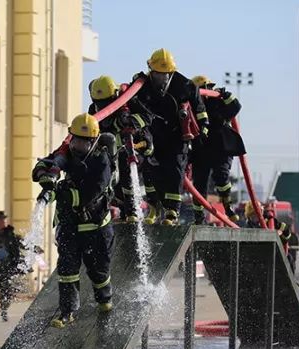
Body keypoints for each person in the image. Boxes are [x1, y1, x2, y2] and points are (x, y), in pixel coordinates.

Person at [32, 113, 115, 328]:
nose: (78, 145)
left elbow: (91, 193)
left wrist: (61, 193)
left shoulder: (101, 161)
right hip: (70, 225)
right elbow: (47, 163)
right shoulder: (68, 152)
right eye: (75, 139)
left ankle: (104, 298)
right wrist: (45, 173)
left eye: (84, 141)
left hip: (96, 226)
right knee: (67, 269)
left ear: (94, 141)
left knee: (98, 271)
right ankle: (67, 312)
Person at [130, 48, 209, 225]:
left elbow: (199, 108)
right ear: (151, 70)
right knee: (150, 170)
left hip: (177, 136)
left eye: (165, 74)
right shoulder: (142, 84)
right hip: (152, 134)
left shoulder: (186, 85)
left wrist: (203, 128)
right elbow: (131, 102)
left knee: (175, 171)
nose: (162, 78)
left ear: (172, 72)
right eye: (158, 74)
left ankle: (172, 211)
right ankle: (154, 206)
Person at [87, 75, 158, 224]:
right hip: (114, 150)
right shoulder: (93, 110)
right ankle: (126, 212)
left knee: (129, 174)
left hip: (138, 145)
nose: (103, 106)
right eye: (99, 103)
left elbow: (148, 116)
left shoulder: (128, 100)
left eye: (107, 102)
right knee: (111, 182)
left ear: (114, 96)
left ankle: (136, 210)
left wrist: (131, 121)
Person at [189, 75, 245, 225]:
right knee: (199, 184)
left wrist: (226, 95)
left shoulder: (217, 102)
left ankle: (228, 206)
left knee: (222, 177)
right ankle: (199, 216)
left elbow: (235, 107)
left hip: (221, 148)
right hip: (201, 149)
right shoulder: (191, 106)